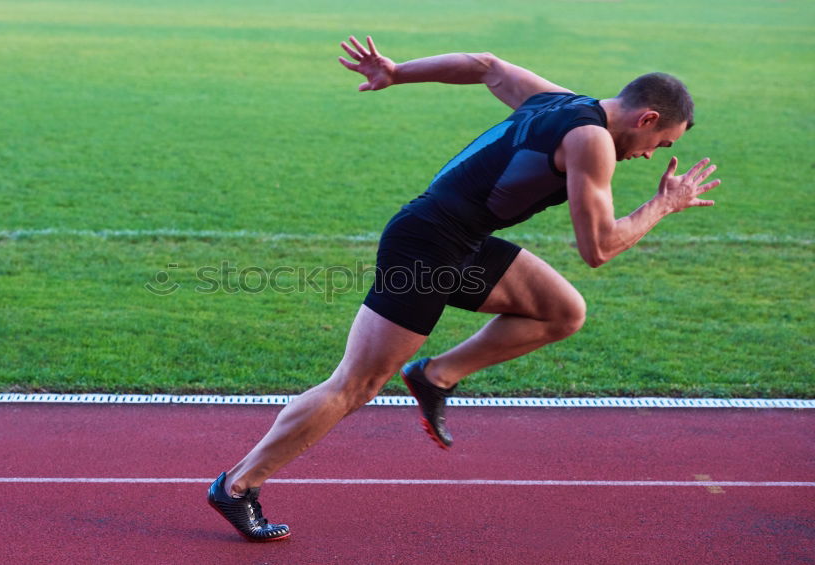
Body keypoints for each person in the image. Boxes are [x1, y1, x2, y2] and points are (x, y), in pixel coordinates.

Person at [207, 35, 721, 541]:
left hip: (461, 241)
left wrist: (397, 71)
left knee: (563, 312)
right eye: (663, 143)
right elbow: (600, 247)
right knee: (355, 384)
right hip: (427, 246)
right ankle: (237, 485)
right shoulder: (591, 141)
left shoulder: (561, 102)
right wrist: (663, 206)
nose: (654, 154)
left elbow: (485, 64)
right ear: (647, 118)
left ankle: (435, 377)